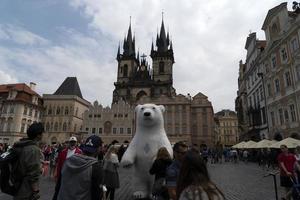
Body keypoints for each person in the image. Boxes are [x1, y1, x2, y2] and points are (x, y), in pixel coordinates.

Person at [57, 135, 104, 200]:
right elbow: (96, 195)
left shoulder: (68, 161)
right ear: (99, 149)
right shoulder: (96, 167)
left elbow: (58, 187)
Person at [13, 122, 44, 200]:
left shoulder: (20, 144)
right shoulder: (33, 149)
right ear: (38, 135)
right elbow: (33, 173)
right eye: (42, 133)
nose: (43, 135)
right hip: (26, 188)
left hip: (16, 183)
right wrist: (36, 190)